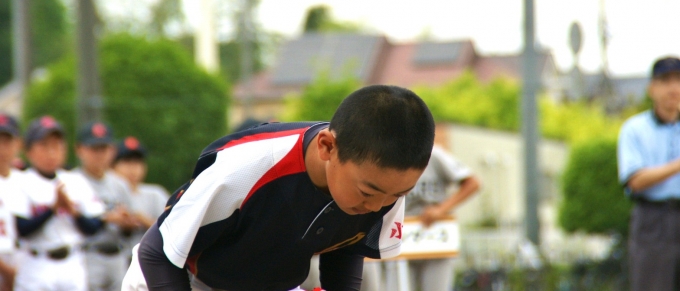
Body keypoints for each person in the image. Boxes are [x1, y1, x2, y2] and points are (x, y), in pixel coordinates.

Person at [122, 84, 435, 291]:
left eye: (399, 195)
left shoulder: (384, 184)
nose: (378, 206)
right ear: (327, 147)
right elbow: (157, 253)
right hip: (179, 278)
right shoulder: (246, 167)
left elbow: (346, 249)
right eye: (368, 193)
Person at [13, 116, 106, 291]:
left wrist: (73, 212)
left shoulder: (75, 180)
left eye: (57, 145)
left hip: (73, 262)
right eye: (44, 145)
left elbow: (94, 227)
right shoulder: (19, 181)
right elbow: (21, 229)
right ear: (29, 151)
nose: (51, 152)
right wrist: (52, 210)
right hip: (37, 264)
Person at [384, 123, 480, 291]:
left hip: (434, 235)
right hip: (400, 235)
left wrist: (441, 209)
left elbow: (473, 183)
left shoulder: (434, 154)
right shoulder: (387, 157)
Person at [617, 56, 680, 291]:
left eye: (678, 80)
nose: (673, 88)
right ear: (652, 88)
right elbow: (635, 180)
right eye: (665, 81)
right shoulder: (635, 129)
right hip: (653, 220)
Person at [73, 121, 138, 291]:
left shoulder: (120, 184)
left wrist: (127, 223)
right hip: (87, 254)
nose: (100, 154)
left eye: (104, 148)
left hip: (117, 255)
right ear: (80, 149)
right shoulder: (72, 181)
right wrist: (107, 218)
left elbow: (129, 229)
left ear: (113, 150)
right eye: (94, 149)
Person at [111, 136, 170, 261]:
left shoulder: (155, 194)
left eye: (138, 162)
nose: (133, 169)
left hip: (150, 261)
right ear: (113, 166)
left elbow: (174, 230)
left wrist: (144, 220)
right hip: (116, 259)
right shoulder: (109, 194)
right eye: (127, 162)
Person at [0, 114, 24, 291]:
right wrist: (6, 271)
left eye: (7, 141)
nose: (2, 148)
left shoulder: (26, 181)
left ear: (18, 144)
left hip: (24, 263)